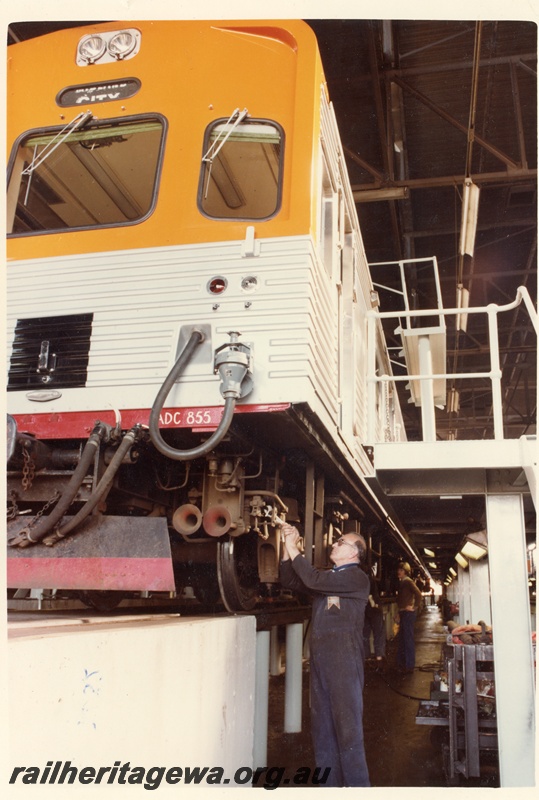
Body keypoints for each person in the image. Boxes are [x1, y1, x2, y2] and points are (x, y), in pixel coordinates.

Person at [279, 523, 370, 787]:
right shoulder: (329, 578)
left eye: (340, 542)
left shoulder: (355, 577)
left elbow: (312, 579)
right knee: (323, 732)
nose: (334, 544)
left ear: (355, 553)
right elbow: (291, 580)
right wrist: (287, 548)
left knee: (348, 733)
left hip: (344, 664)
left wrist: (294, 548)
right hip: (321, 663)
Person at [395, 561, 423, 674]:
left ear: (405, 572)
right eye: (398, 570)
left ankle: (409, 665)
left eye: (401, 570)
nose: (399, 572)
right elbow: (402, 600)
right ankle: (403, 664)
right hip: (403, 613)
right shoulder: (403, 582)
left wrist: (414, 607)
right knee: (403, 639)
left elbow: (418, 594)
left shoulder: (408, 582)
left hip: (408, 614)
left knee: (407, 639)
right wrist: (398, 613)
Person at [363, 566, 386, 669]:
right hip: (375, 609)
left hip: (365, 610)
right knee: (379, 634)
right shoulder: (370, 579)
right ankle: (379, 659)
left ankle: (366, 659)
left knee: (364, 635)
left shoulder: (359, 578)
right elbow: (372, 595)